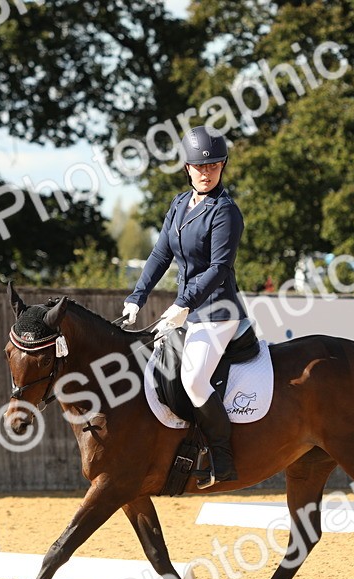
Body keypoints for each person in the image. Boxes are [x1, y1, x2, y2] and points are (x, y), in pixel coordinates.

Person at [122, 126, 248, 488]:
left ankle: (222, 459)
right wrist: (137, 296)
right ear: (187, 168)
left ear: (222, 167)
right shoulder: (179, 204)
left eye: (214, 166)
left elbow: (218, 268)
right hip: (188, 311)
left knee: (193, 379)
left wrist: (182, 303)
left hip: (217, 311)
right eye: (200, 167)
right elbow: (160, 254)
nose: (206, 173)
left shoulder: (225, 212)